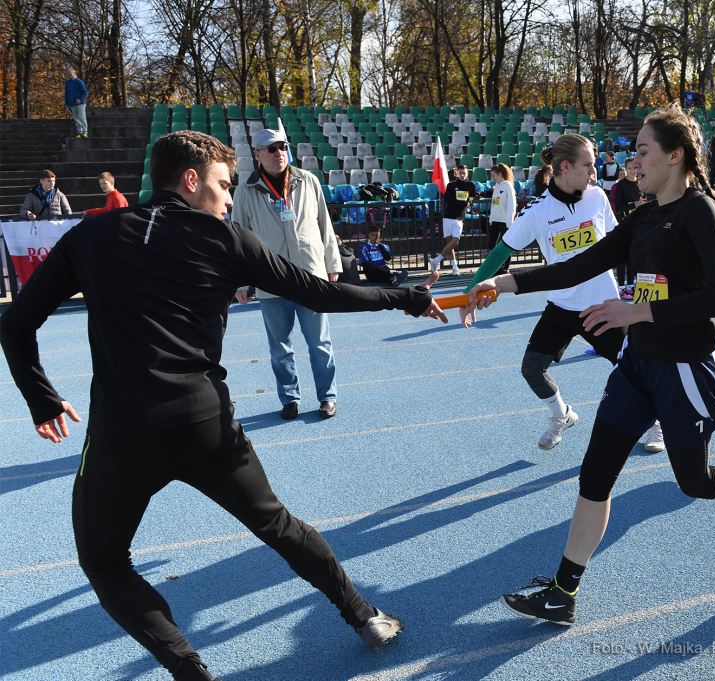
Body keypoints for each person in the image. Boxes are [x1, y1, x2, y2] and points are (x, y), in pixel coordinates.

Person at [0, 130, 447, 681]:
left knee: (105, 561)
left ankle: (189, 671)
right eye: (222, 183)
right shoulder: (226, 238)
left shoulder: (91, 235)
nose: (230, 196)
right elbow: (318, 292)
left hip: (122, 433)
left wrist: (41, 398)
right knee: (278, 524)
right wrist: (406, 297)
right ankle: (365, 615)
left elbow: (15, 322)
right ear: (190, 180)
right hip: (204, 424)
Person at [464, 106, 715, 627]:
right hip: (635, 365)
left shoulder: (699, 211)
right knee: (595, 475)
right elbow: (580, 265)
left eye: (643, 150)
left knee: (693, 480)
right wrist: (504, 283)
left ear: (675, 156)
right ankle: (563, 593)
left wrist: (638, 310)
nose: (634, 160)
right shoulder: (643, 215)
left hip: (683, 369)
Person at [459, 134, 630, 452]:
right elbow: (499, 254)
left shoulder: (597, 198)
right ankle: (561, 415)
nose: (595, 172)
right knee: (532, 369)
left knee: (633, 369)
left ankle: (657, 421)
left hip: (604, 305)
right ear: (566, 167)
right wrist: (470, 293)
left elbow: (618, 244)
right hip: (562, 307)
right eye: (589, 165)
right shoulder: (537, 212)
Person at [231, 127, 343, 420]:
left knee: (320, 343)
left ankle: (327, 397)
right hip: (271, 281)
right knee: (280, 347)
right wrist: (241, 280)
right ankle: (290, 398)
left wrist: (332, 265)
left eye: (282, 146)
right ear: (257, 154)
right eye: (271, 148)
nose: (279, 152)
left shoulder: (308, 180)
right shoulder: (245, 190)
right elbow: (237, 240)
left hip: (311, 276)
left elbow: (325, 226)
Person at [432, 165, 477, 275]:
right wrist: (463, 203)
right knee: (450, 243)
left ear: (467, 174)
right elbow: (447, 199)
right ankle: (455, 267)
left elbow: (473, 196)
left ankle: (436, 261)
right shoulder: (451, 185)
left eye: (464, 173)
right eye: (460, 172)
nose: (462, 175)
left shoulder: (470, 185)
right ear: (457, 173)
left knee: (455, 242)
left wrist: (469, 202)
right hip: (448, 216)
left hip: (459, 217)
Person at [613, 158, 644, 300]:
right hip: (624, 224)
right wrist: (634, 204)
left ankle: (630, 286)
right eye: (629, 168)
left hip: (638, 224)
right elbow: (618, 207)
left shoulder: (641, 183)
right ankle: (620, 287)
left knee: (633, 256)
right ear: (625, 169)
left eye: (634, 168)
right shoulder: (621, 185)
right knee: (622, 257)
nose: (632, 171)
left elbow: (643, 203)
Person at [486, 163, 517, 276]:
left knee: (505, 245)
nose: (492, 178)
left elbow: (512, 205)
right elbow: (495, 204)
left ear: (500, 174)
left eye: (494, 175)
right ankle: (498, 264)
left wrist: (509, 221)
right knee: (491, 244)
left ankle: (505, 267)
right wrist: (491, 218)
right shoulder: (497, 186)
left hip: (505, 221)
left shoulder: (508, 186)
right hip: (495, 220)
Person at [64, 67, 88, 138]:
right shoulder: (67, 83)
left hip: (80, 103)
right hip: (72, 104)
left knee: (82, 117)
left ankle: (85, 132)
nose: (69, 74)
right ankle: (79, 132)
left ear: (74, 73)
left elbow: (85, 92)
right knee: (76, 119)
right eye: (68, 72)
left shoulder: (79, 81)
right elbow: (66, 94)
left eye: (70, 72)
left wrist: (80, 99)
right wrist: (66, 104)